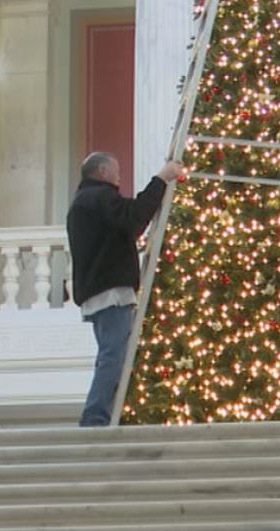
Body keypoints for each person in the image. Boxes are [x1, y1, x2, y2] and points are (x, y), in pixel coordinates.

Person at [66, 152, 186, 426]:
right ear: (102, 172)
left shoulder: (84, 202)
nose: (119, 178)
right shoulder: (99, 198)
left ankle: (104, 413)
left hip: (98, 291)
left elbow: (119, 230)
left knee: (111, 354)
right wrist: (162, 178)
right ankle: (96, 416)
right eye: (116, 171)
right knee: (113, 356)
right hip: (110, 292)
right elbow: (133, 218)